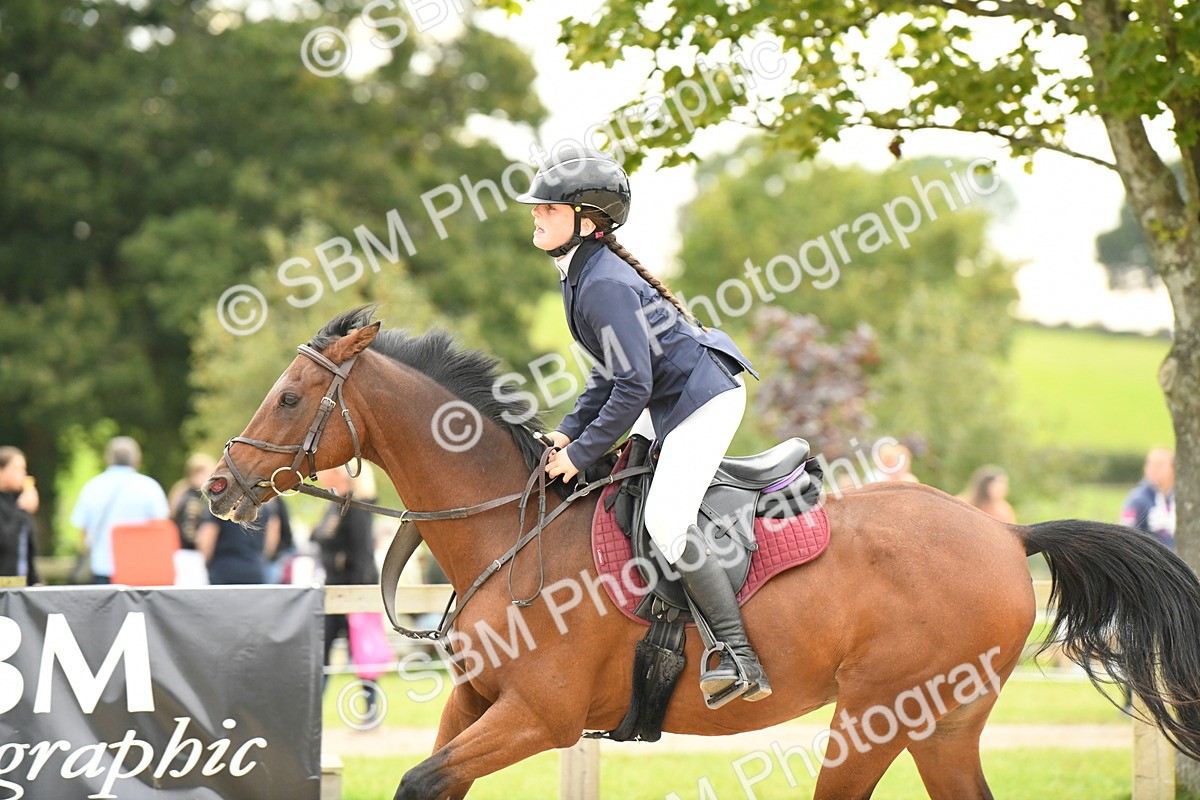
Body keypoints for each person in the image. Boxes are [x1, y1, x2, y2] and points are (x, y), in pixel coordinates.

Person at [515, 149, 770, 704]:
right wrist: (568, 432)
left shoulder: (601, 283)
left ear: (588, 222)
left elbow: (631, 387)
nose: (536, 213)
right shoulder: (583, 274)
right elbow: (608, 374)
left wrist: (580, 454)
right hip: (669, 401)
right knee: (625, 492)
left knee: (667, 521)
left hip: (701, 402)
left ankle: (739, 656)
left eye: (549, 208)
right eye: (538, 206)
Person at [314, 465, 382, 711]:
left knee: (362, 651)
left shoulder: (356, 507)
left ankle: (370, 709)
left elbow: (363, 554)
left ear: (339, 474)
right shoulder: (335, 504)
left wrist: (360, 597)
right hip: (333, 589)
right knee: (322, 648)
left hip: (353, 591)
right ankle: (314, 709)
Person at [71, 436, 169, 584]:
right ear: (137, 459)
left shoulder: (92, 487)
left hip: (102, 568)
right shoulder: (150, 487)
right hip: (140, 569)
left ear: (108, 458)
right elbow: (160, 529)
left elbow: (83, 535)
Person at [195, 497, 280, 584]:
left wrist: (206, 563)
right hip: (254, 570)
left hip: (223, 571)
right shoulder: (262, 507)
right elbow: (271, 540)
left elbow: (207, 539)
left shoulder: (220, 506)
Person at [0, 447, 41, 585]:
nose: (23, 474)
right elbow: (6, 542)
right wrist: (22, 511)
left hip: (19, 582)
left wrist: (35, 580)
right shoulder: (19, 507)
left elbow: (25, 548)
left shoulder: (18, 500)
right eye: (17, 469)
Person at [1121, 447, 1175, 550]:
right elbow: (1126, 534)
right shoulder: (1138, 499)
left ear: (1173, 469)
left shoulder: (1178, 498)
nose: (1154, 469)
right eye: (1151, 464)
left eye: (1160, 465)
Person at [169, 453, 217, 550]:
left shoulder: (185, 494)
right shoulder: (192, 501)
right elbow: (189, 534)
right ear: (198, 474)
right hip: (191, 553)